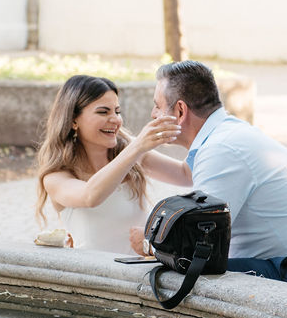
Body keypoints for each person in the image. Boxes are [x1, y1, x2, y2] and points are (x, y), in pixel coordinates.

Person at [150, 60, 287, 300]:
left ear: (180, 111)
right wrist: (130, 148)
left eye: (157, 107)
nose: (153, 115)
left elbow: (200, 242)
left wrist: (149, 242)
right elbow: (183, 174)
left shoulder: (221, 149)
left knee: (184, 270)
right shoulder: (226, 134)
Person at [36, 74, 190, 255]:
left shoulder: (131, 151)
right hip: (96, 278)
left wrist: (196, 133)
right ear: (73, 120)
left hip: (141, 274)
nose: (116, 120)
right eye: (103, 112)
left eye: (117, 111)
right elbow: (90, 196)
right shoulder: (56, 176)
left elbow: (185, 175)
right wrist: (137, 147)